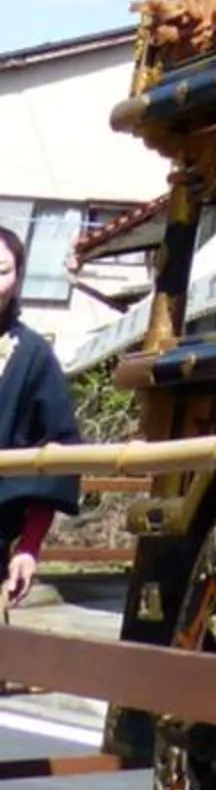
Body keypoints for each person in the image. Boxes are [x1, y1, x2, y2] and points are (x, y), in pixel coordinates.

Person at [0, 221, 82, 615]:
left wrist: (29, 545)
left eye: (2, 270)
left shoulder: (33, 356)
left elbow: (57, 452)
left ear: (17, 279)